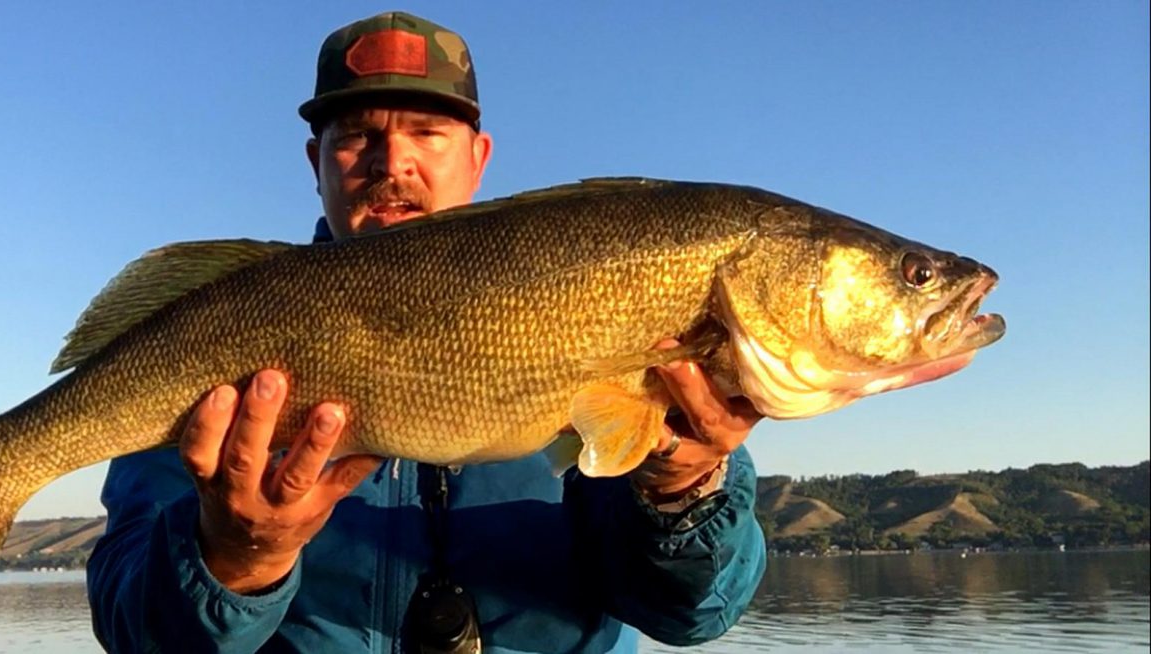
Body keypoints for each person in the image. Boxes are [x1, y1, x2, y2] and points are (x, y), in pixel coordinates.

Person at [87, 11, 767, 653]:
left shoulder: (601, 305)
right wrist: (232, 560)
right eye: (355, 135)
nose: (392, 163)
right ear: (314, 161)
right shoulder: (223, 327)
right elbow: (133, 630)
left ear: (478, 155)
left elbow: (688, 613)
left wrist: (681, 492)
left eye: (426, 131)